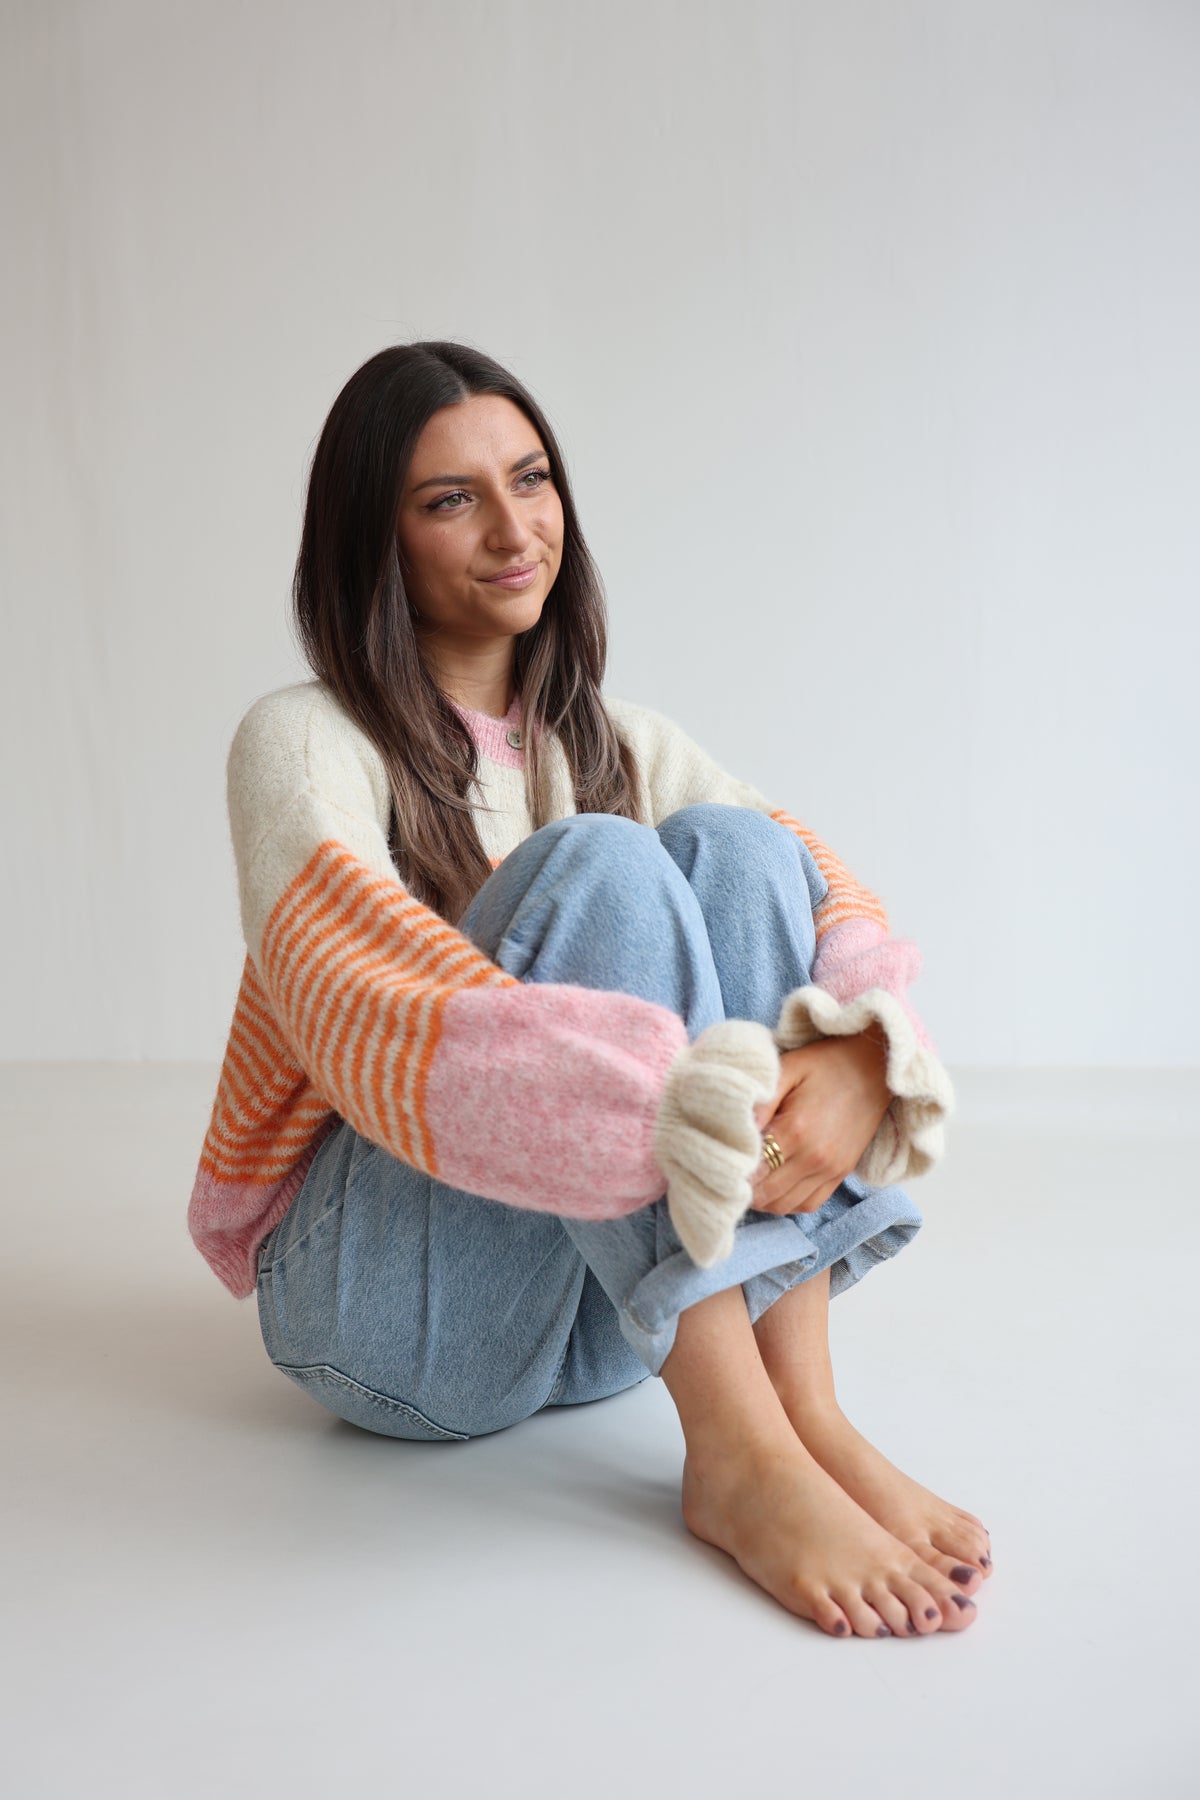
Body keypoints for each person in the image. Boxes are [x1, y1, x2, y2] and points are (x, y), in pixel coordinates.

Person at [189, 340, 991, 1640]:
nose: (515, 530)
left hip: (610, 1314)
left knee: (740, 849)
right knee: (603, 867)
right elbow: (355, 994)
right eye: (451, 499)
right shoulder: (302, 741)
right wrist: (675, 1105)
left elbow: (814, 890)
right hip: (389, 1320)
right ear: (373, 538)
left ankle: (805, 1415)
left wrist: (856, 1054)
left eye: (532, 479)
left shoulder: (621, 740)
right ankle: (738, 1456)